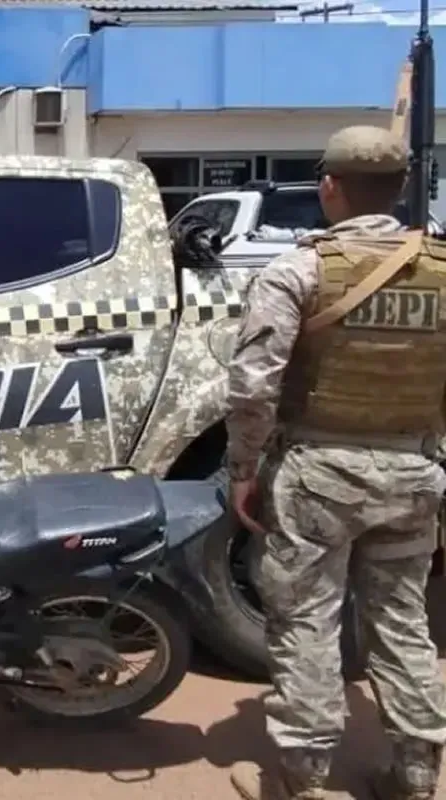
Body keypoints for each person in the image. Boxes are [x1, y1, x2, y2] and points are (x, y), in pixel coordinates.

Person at [226, 124, 446, 800]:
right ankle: (416, 774)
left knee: (306, 618)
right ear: (403, 187)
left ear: (329, 187)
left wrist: (242, 469)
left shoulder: (297, 269)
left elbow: (253, 382)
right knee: (403, 619)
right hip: (414, 471)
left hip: (319, 471)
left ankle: (307, 778)